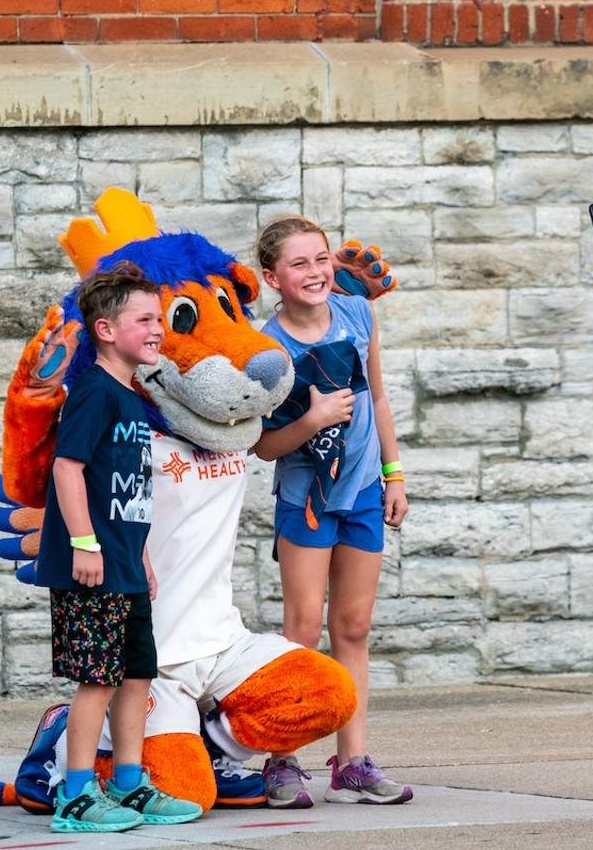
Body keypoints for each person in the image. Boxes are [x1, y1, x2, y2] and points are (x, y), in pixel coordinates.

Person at [33, 261, 202, 833]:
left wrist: (142, 556)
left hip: (126, 564)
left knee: (136, 675)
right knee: (98, 677)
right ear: (106, 330)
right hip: (91, 566)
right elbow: (68, 469)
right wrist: (84, 542)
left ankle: (129, 783)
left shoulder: (132, 398)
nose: (158, 328)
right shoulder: (94, 394)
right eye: (146, 319)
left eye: (160, 317)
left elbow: (128, 492)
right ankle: (77, 795)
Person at [252, 215, 413, 807]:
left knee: (352, 629)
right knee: (300, 631)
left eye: (321, 258)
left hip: (365, 494)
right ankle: (282, 760)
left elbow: (379, 395)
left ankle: (352, 763)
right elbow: (261, 447)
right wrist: (312, 421)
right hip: (307, 503)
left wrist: (393, 474)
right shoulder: (267, 351)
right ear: (273, 277)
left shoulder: (358, 314)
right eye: (299, 263)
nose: (315, 271)